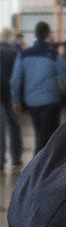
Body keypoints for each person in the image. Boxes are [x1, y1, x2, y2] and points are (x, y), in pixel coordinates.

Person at [9, 22, 66, 154]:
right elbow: (65, 76)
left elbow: (15, 80)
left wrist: (16, 100)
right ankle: (39, 167)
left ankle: (40, 165)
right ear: (48, 34)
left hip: (32, 102)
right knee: (48, 137)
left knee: (39, 133)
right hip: (51, 101)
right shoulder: (53, 54)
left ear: (35, 35)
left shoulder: (24, 54)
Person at [1, 28, 23, 165]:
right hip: (10, 94)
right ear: (10, 37)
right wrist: (18, 97)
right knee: (14, 126)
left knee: (0, 128)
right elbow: (17, 77)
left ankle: (0, 160)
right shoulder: (15, 53)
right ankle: (16, 158)